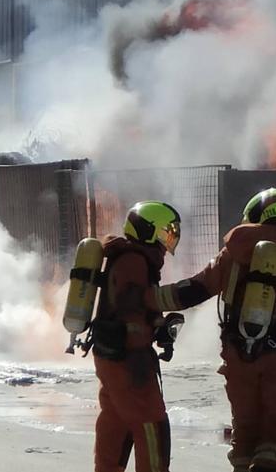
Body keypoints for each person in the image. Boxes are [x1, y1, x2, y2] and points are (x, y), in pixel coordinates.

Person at [148, 188, 276, 472]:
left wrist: (147, 298)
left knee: (244, 435)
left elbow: (195, 289)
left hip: (237, 361)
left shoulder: (232, 254)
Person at [91, 201, 184, 472]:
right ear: (148, 230)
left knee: (116, 423)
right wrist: (176, 300)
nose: (169, 238)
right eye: (166, 231)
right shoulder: (135, 260)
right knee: (152, 425)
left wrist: (159, 326)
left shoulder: (131, 257)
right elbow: (133, 304)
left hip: (113, 355)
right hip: (130, 360)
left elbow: (133, 309)